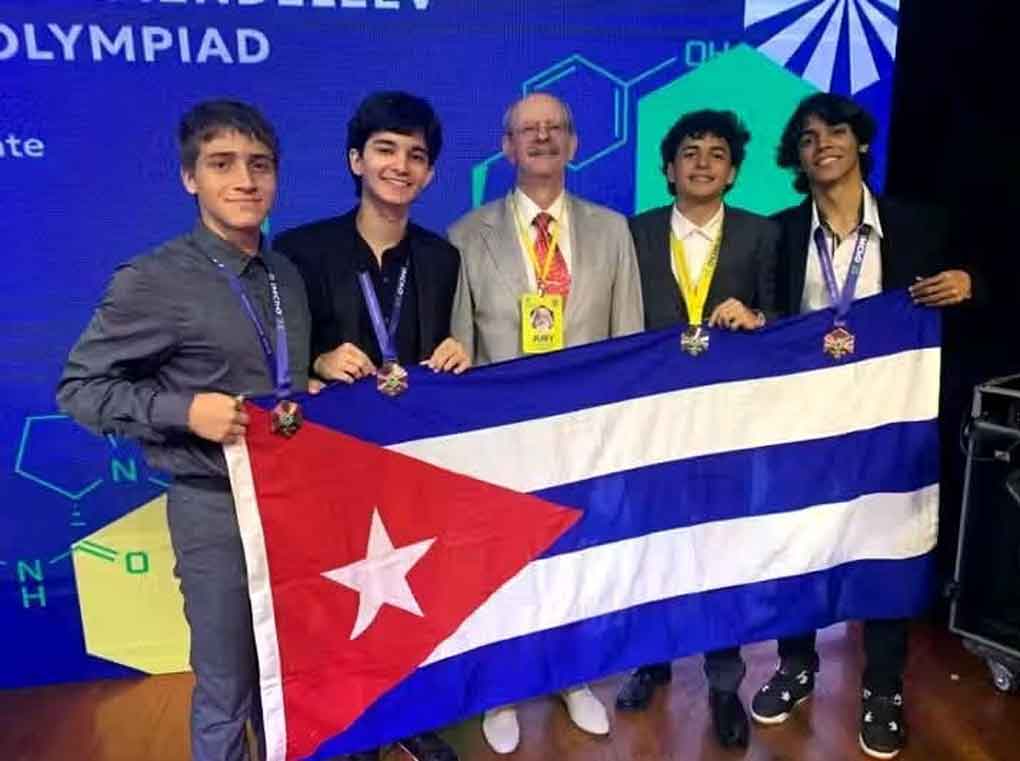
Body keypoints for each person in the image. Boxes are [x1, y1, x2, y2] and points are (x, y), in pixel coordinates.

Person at [57, 100, 310, 761]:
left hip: (292, 507)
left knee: (286, 683)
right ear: (190, 178)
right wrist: (184, 410)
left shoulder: (285, 274)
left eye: (259, 165)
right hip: (215, 509)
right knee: (227, 689)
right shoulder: (154, 279)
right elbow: (79, 389)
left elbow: (277, 378)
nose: (245, 181)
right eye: (222, 164)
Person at [749, 92, 975, 760]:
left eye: (836, 132)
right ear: (797, 158)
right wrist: (755, 324)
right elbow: (770, 321)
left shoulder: (920, 224)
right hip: (804, 422)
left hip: (890, 421)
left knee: (887, 547)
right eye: (808, 138)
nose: (822, 144)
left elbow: (984, 288)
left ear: (862, 143)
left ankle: (882, 687)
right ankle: (796, 665)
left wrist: (970, 283)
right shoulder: (780, 234)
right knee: (798, 544)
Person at [448, 91, 643, 754]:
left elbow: (628, 339)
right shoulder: (466, 235)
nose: (541, 137)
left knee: (574, 558)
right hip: (503, 436)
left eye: (554, 127)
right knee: (502, 561)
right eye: (527, 129)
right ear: (507, 146)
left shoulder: (612, 230)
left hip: (583, 435)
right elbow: (460, 347)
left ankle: (571, 676)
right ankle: (501, 688)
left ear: (574, 143)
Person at [273, 91, 464, 761]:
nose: (400, 166)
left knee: (410, 593)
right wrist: (315, 361)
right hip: (330, 460)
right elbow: (273, 358)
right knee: (337, 597)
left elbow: (440, 353)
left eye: (416, 155)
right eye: (385, 150)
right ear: (356, 160)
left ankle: (408, 716)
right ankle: (349, 728)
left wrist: (455, 354)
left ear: (429, 173)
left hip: (410, 462)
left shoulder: (441, 258)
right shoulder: (299, 250)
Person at [618, 109, 779, 748]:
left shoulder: (762, 234)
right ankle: (650, 661)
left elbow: (784, 319)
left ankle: (722, 682)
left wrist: (759, 318)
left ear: (733, 171)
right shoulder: (633, 232)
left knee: (721, 549)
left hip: (728, 420)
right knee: (650, 541)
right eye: (690, 152)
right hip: (653, 417)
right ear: (668, 169)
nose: (704, 162)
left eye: (717, 153)